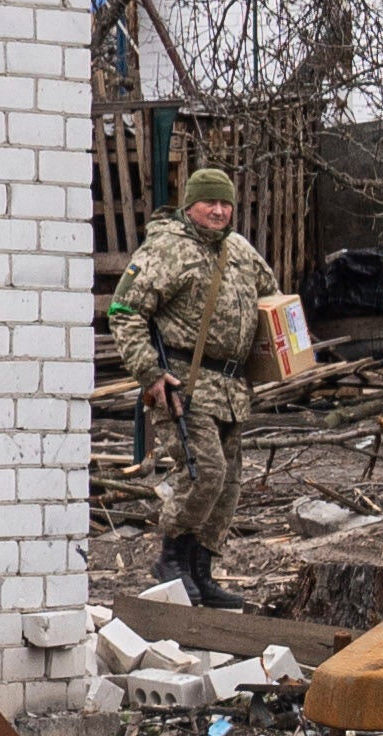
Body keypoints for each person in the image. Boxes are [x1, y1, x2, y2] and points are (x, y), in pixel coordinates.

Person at [111, 162, 288, 602]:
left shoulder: (239, 250)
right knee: (204, 473)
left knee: (227, 486)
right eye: (210, 202)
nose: (219, 210)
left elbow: (272, 298)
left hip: (231, 389)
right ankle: (171, 561)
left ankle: (200, 571)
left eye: (225, 203)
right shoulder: (166, 249)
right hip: (184, 386)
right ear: (190, 205)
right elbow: (125, 312)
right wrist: (150, 374)